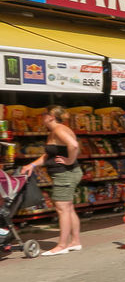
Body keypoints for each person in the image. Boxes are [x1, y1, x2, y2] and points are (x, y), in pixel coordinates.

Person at [19, 106, 82, 255]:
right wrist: (32, 165)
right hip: (67, 173)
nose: (42, 116)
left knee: (62, 208)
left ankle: (61, 245)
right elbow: (49, 155)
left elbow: (74, 145)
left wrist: (69, 161)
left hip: (65, 173)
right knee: (68, 207)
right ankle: (75, 242)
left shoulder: (58, 130)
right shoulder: (57, 131)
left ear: (51, 116)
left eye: (44, 114)